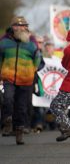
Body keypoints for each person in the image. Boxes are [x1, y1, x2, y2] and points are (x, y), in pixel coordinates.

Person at [0, 16, 41, 144]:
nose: (20, 28)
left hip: (26, 80)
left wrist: (32, 70)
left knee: (22, 107)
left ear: (26, 28)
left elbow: (38, 59)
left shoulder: (31, 43)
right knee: (7, 99)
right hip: (8, 77)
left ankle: (19, 132)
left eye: (23, 25)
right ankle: (7, 120)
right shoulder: (4, 42)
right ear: (12, 27)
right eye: (17, 25)